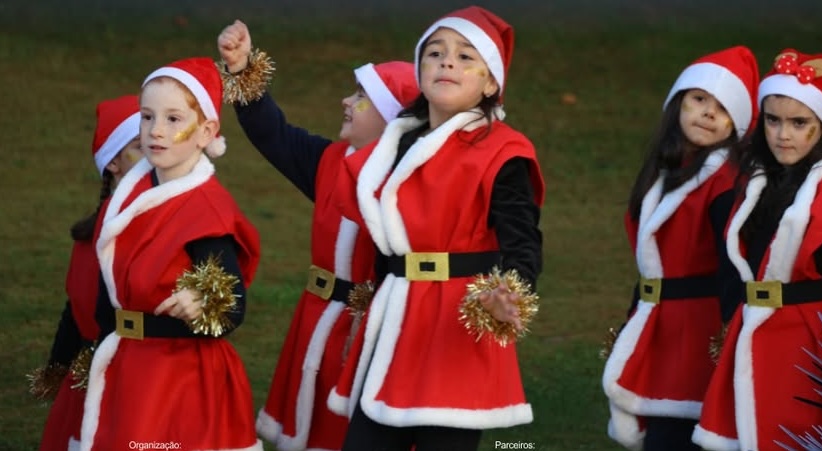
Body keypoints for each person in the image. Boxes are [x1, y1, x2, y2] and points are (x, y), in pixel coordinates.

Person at [325, 6, 545, 451]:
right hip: (394, 320)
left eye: (466, 57)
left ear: (490, 84)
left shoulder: (504, 151)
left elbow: (521, 238)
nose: (447, 62)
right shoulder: (396, 143)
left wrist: (510, 293)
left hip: (459, 323)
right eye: (435, 53)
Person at [216, 19, 420, 451]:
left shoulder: (411, 187)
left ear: (391, 119)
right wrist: (241, 68)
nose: (347, 101)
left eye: (362, 97)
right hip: (314, 323)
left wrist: (368, 322)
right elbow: (273, 135)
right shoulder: (329, 162)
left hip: (368, 329)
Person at [79, 57, 263, 451]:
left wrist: (204, 300)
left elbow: (232, 306)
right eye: (147, 117)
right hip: (129, 367)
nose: (156, 131)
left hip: (180, 378)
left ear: (206, 131)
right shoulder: (130, 195)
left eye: (174, 119)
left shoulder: (206, 210)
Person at [692, 48, 822, 451]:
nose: (782, 134)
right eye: (773, 120)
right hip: (751, 334)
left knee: (792, 435)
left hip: (809, 349)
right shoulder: (756, 182)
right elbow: (736, 264)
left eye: (798, 122)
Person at [601, 46, 760, 451]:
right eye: (699, 99)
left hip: (700, 333)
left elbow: (732, 268)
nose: (708, 113)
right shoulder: (664, 172)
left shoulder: (725, 183)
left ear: (736, 124)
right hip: (660, 328)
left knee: (680, 434)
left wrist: (730, 338)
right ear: (678, 104)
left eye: (723, 108)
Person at [29, 94, 142, 451]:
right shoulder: (107, 231)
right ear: (113, 164)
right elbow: (77, 312)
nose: (156, 152)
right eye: (139, 146)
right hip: (116, 378)